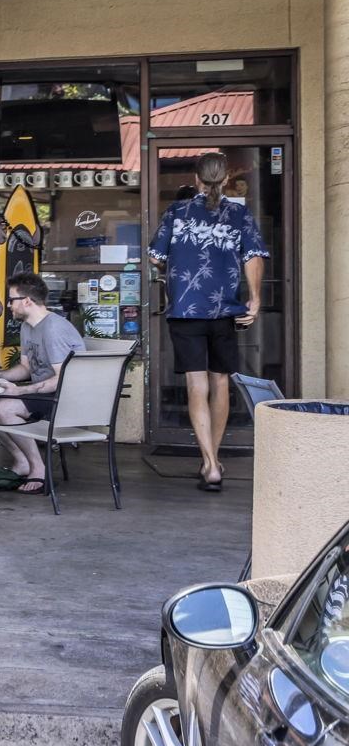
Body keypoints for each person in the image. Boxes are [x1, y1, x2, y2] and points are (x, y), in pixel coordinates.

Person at [148, 151, 268, 493]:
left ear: (197, 179)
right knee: (220, 384)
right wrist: (255, 299)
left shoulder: (177, 211)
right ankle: (211, 460)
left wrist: (172, 269)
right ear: (226, 180)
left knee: (196, 386)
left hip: (186, 311)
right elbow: (253, 257)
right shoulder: (239, 214)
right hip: (223, 311)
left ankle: (211, 463)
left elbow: (156, 256)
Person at [0, 272, 85, 494]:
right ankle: (22, 461)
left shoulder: (53, 329)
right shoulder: (27, 326)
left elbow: (62, 379)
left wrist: (19, 391)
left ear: (27, 301)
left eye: (12, 299)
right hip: (46, 394)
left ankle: (39, 469)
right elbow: (27, 368)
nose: (9, 305)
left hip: (67, 397)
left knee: (4, 408)